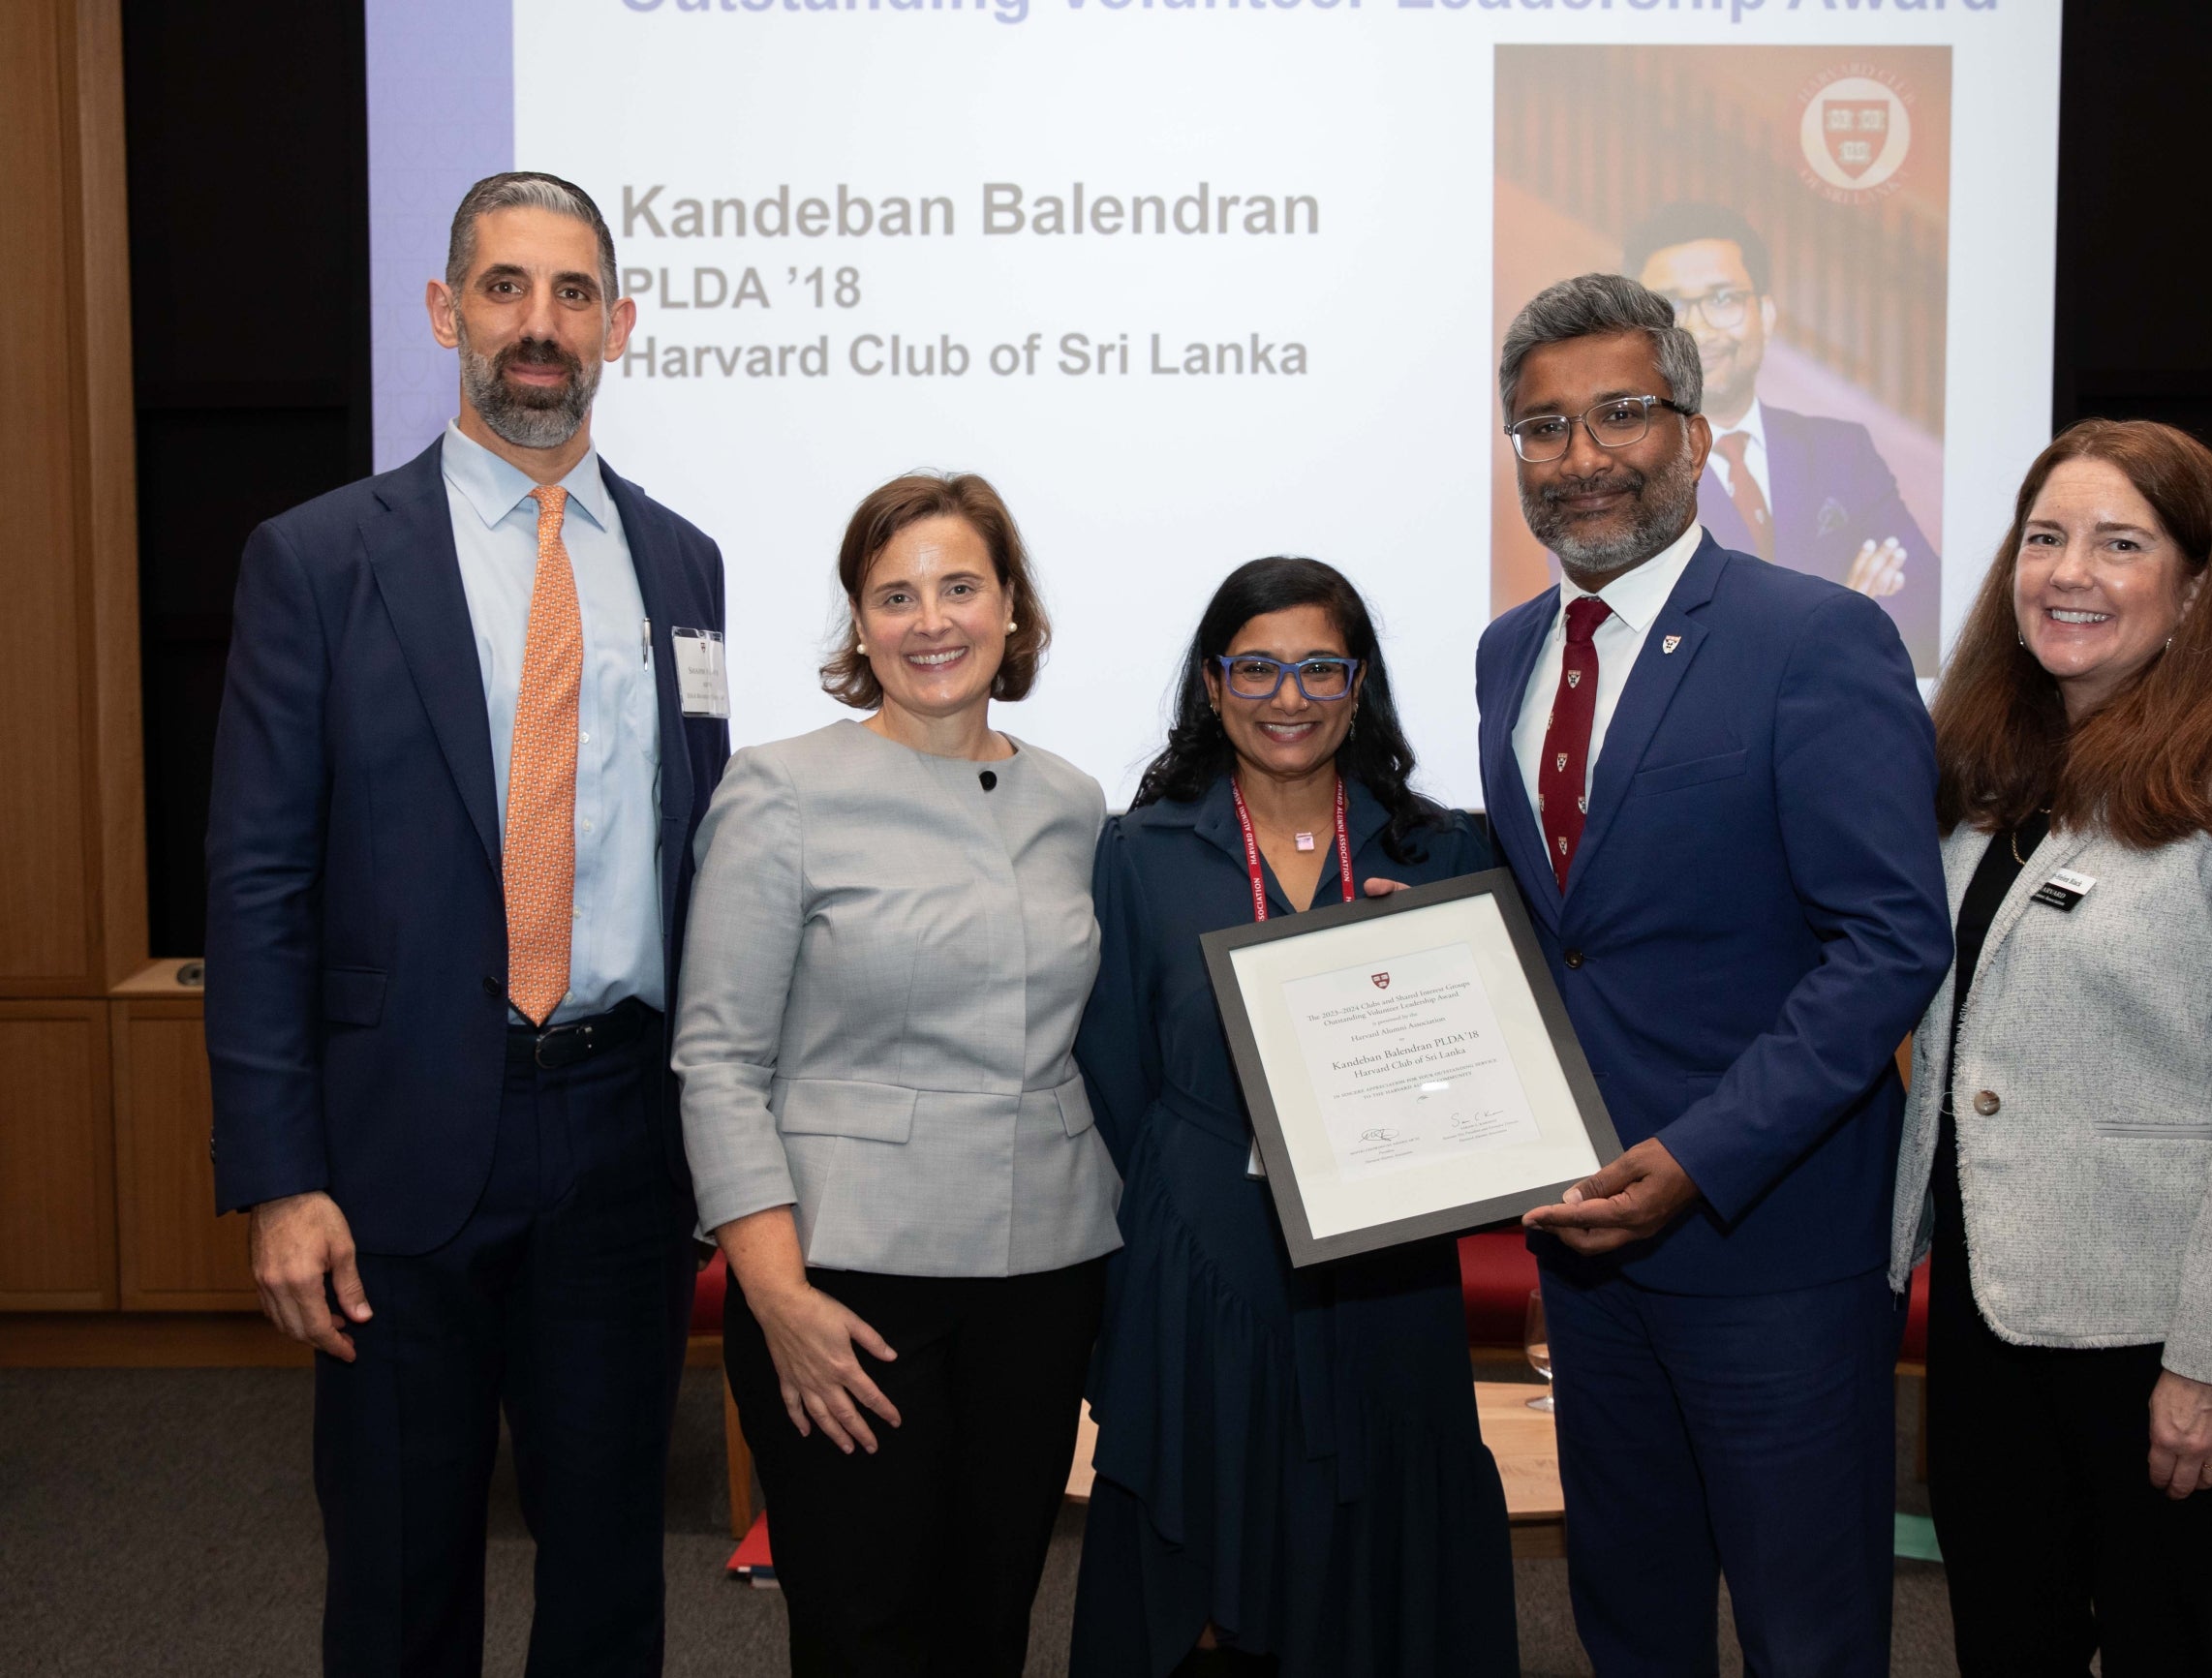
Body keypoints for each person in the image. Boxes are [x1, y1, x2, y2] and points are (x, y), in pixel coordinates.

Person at [204, 172, 729, 1673]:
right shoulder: (318, 560)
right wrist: (278, 1175)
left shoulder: (683, 564)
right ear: (447, 313)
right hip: (394, 1148)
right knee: (396, 1569)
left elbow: (689, 846)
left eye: (573, 294)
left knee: (612, 1568)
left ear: (618, 325)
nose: (539, 327)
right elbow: (254, 885)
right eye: (505, 289)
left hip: (624, 1134)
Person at [1481, 275, 1950, 1678]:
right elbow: (1567, 924)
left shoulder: (1817, 638)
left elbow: (1889, 944)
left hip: (1771, 1245)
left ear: (1691, 431)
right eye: (1544, 429)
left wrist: (1699, 1154)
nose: (1582, 456)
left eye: (1621, 413)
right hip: (1586, 1241)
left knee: (1806, 1629)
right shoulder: (1512, 653)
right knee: (1631, 1611)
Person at [1889, 418, 2212, 1675]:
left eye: (2121, 543)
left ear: (2199, 587)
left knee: (2168, 1646)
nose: (2070, 571)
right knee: (2008, 1640)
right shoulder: (1997, 772)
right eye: (2046, 538)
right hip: (1993, 1317)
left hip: (2165, 1327)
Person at [675, 472, 1121, 1675]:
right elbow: (717, 1060)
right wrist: (771, 1297)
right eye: (895, 594)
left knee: (989, 1623)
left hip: (1042, 1275)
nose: (932, 619)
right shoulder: (781, 788)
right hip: (844, 1287)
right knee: (864, 1629)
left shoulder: (1073, 801)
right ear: (859, 626)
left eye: (960, 586)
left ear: (1012, 608)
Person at [1067, 558, 1517, 1678]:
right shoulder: (1142, 850)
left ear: (1356, 684)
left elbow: (1489, 1071)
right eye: (1256, 666)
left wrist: (1430, 970)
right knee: (1204, 1573)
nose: (1287, 695)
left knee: (1378, 1568)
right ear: (1212, 685)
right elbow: (1113, 1071)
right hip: (1202, 1262)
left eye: (1319, 666)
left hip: (1382, 1263)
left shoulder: (1437, 850)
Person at [1626, 201, 1942, 673]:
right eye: (1668, 308)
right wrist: (1843, 610)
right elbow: (1629, 650)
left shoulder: (1843, 450)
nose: (1697, 329)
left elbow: (1924, 600)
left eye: (1723, 299)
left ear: (1766, 315)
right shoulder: (1608, 475)